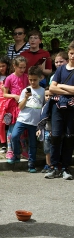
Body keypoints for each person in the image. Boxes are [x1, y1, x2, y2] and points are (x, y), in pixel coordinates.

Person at [44, 41, 74, 180]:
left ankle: (66, 167)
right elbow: (52, 89)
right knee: (55, 136)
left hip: (72, 109)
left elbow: (57, 87)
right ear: (68, 53)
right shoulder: (61, 70)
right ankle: (55, 167)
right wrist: (68, 89)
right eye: (71, 53)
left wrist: (60, 86)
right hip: (57, 107)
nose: (73, 56)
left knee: (69, 137)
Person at [8, 66, 45, 173]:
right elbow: (20, 107)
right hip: (22, 119)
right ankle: (16, 154)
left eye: (35, 80)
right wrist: (26, 97)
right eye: (30, 80)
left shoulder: (43, 91)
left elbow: (43, 106)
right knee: (14, 136)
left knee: (33, 143)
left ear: (40, 78)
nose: (32, 82)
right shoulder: (25, 90)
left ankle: (31, 164)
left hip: (35, 122)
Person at [3, 56, 29, 160]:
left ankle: (24, 149)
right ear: (14, 66)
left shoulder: (26, 77)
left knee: (22, 129)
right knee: (12, 129)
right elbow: (4, 94)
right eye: (20, 67)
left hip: (23, 106)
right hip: (13, 107)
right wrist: (14, 95)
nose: (22, 70)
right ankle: (10, 150)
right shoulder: (9, 78)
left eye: (24, 67)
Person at [36, 87, 53, 173]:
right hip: (46, 130)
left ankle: (53, 165)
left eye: (50, 95)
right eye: (46, 95)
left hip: (53, 131)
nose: (48, 97)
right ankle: (48, 164)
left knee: (54, 148)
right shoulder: (43, 107)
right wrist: (39, 129)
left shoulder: (54, 106)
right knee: (46, 149)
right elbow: (41, 120)